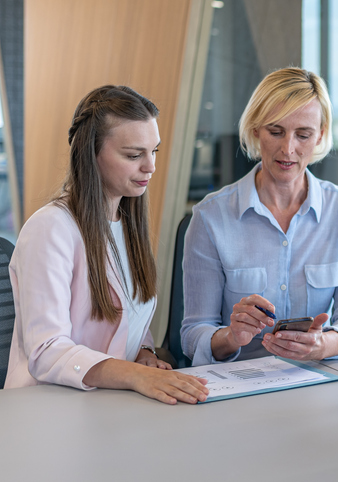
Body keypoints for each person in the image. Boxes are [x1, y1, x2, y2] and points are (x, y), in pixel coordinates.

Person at [4, 85, 209, 405]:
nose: (150, 166)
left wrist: (143, 353)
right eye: (133, 154)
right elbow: (47, 351)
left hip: (108, 407)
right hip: (48, 409)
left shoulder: (127, 225)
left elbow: (127, 322)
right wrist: (135, 375)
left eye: (153, 151)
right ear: (91, 153)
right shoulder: (50, 229)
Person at [181, 67, 338, 365]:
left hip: (318, 379)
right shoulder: (210, 217)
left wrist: (324, 345)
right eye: (276, 131)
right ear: (256, 130)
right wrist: (232, 336)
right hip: (240, 386)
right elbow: (193, 335)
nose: (288, 149)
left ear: (320, 135)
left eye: (303, 135)